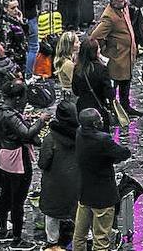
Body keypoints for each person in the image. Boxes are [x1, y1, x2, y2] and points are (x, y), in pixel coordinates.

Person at [0, 81, 50, 249]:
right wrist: (40, 121)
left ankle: (3, 230)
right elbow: (26, 134)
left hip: (3, 155)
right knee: (18, 200)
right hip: (17, 158)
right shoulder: (10, 115)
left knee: (5, 195)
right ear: (17, 98)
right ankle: (17, 239)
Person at [72, 107, 132, 251]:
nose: (102, 120)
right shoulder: (103, 139)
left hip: (85, 192)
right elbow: (123, 153)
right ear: (95, 124)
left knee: (79, 235)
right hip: (103, 195)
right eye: (99, 119)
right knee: (101, 239)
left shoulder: (79, 133)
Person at [91, 0, 140, 117]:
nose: (125, 1)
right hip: (117, 57)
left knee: (126, 81)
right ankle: (112, 110)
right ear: (113, 2)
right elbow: (95, 36)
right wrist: (106, 49)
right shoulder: (109, 17)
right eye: (121, 0)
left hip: (127, 55)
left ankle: (126, 106)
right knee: (114, 85)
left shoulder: (123, 7)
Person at [39, 101, 81, 251]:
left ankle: (52, 241)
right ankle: (83, 237)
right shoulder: (82, 136)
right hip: (77, 182)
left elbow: (43, 163)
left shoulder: (51, 138)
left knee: (52, 214)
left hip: (54, 184)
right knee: (79, 211)